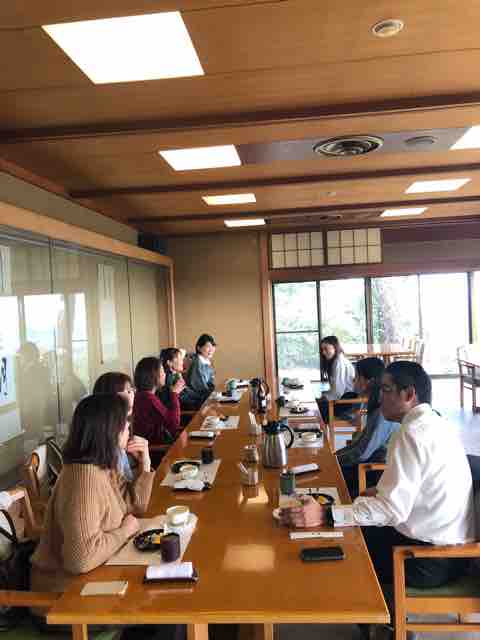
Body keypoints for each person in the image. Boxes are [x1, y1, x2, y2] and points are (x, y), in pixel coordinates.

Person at [282, 361, 474, 591]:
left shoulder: (411, 433)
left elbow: (392, 510)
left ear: (409, 394)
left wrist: (325, 514)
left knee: (337, 544)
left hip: (427, 558)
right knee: (349, 517)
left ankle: (364, 612)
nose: (379, 396)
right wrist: (377, 494)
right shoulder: (435, 422)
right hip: (451, 552)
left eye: (386, 389)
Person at [31, 394, 154, 594]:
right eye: (124, 422)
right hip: (67, 594)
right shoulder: (83, 477)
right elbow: (81, 559)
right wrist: (124, 532)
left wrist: (145, 464)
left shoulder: (102, 466)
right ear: (109, 430)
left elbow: (136, 505)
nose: (128, 427)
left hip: (99, 576)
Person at [336, 357, 401, 498]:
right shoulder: (373, 405)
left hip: (372, 472)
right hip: (367, 463)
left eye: (357, 377)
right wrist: (335, 456)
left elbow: (363, 453)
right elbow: (359, 444)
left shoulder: (383, 412)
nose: (353, 380)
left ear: (368, 382)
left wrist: (335, 461)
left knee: (330, 480)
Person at [93, 371, 136, 480]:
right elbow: (124, 489)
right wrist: (145, 465)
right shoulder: (108, 446)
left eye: (132, 390)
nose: (132, 394)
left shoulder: (118, 434)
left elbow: (128, 481)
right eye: (127, 391)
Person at [132, 356, 185, 444]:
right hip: (159, 448)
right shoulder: (148, 398)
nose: (165, 374)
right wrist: (174, 394)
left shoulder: (143, 395)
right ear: (154, 375)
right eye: (162, 371)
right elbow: (174, 424)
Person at [317, 336, 356, 422]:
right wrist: (324, 395)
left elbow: (338, 392)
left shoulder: (339, 363)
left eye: (326, 349)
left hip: (347, 402)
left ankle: (322, 428)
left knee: (317, 408)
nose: (323, 352)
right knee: (317, 401)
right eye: (322, 350)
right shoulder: (337, 361)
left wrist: (324, 397)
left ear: (335, 347)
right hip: (343, 398)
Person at [181, 334, 216, 409]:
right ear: (199, 348)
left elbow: (210, 383)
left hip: (204, 397)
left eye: (213, 346)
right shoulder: (197, 363)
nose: (211, 350)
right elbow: (200, 388)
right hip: (196, 400)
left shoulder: (206, 361)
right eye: (208, 347)